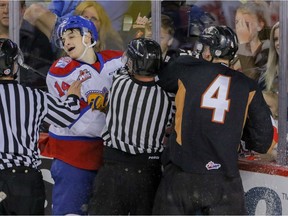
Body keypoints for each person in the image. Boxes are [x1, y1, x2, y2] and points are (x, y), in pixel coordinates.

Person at [152, 25, 274, 215]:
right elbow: (263, 140)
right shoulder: (248, 85)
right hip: (223, 180)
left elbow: (158, 78)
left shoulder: (186, 69)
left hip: (183, 175)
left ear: (209, 51)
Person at [40, 15, 123, 215]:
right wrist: (102, 107)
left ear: (88, 37)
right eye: (63, 39)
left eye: (71, 35)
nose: (66, 42)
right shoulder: (61, 70)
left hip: (105, 156)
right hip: (73, 157)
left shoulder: (116, 60)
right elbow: (75, 121)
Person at [88, 38, 174, 215]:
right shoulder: (167, 97)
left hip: (114, 168)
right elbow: (168, 126)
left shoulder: (120, 82)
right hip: (147, 171)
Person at [0, 38, 83, 215]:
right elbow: (67, 115)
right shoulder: (34, 97)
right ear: (15, 65)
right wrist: (73, 97)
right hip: (25, 181)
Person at [24, 1, 124, 53]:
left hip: (102, 36)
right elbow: (54, 9)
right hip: (68, 28)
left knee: (34, 11)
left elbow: (96, 14)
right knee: (30, 12)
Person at [0, 0, 55, 90]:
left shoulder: (37, 40)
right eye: (2, 5)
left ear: (23, 9)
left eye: (12, 6)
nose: (6, 10)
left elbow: (39, 79)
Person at [232, 1, 271, 84]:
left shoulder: (268, 50)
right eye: (237, 22)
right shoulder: (234, 49)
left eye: (246, 24)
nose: (240, 28)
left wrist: (244, 43)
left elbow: (253, 82)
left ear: (260, 25)